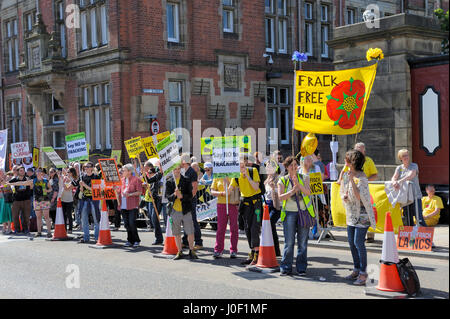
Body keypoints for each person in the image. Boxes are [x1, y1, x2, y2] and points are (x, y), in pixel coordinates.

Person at [340, 150, 377, 286]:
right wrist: (344, 195)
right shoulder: (346, 175)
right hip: (351, 214)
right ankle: (356, 269)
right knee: (351, 242)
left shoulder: (362, 177)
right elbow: (342, 189)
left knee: (358, 243)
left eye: (347, 160)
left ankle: (363, 273)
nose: (345, 162)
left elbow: (359, 197)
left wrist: (351, 180)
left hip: (362, 214)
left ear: (352, 162)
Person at [277, 156, 315, 276]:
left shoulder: (304, 177)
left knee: (303, 242)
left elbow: (308, 192)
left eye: (295, 165)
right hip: (289, 214)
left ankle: (301, 267)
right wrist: (292, 191)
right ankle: (286, 267)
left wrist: (299, 185)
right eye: (291, 165)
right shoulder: (282, 180)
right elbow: (280, 197)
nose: (294, 167)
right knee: (289, 242)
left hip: (303, 212)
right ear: (287, 167)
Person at [230, 156, 262, 265]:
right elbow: (230, 190)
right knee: (247, 229)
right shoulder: (235, 176)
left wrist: (247, 177)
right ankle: (253, 252)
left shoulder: (253, 171)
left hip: (256, 204)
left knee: (254, 228)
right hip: (246, 205)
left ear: (245, 163)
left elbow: (256, 187)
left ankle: (257, 254)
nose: (240, 167)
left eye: (242, 164)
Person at [166, 165, 198, 260]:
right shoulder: (169, 181)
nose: (177, 171)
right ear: (172, 170)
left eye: (178, 169)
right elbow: (168, 197)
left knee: (190, 231)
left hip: (186, 210)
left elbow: (190, 195)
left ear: (181, 169)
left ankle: (191, 250)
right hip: (174, 211)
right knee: (176, 232)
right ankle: (179, 251)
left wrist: (182, 196)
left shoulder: (186, 180)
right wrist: (174, 195)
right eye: (175, 169)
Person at [391, 149, 426, 227]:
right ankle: (411, 238)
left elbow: (411, 175)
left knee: (419, 218)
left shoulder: (414, 165)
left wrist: (399, 181)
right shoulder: (399, 168)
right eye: (404, 156)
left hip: (415, 196)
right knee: (408, 219)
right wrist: (394, 182)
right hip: (405, 197)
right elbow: (394, 177)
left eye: (407, 155)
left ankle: (427, 238)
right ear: (400, 158)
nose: (406, 157)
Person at [210, 176, 239, 259]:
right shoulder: (217, 177)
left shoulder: (234, 176)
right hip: (221, 204)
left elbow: (236, 189)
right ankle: (218, 250)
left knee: (234, 228)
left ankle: (233, 250)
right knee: (221, 228)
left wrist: (228, 182)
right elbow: (212, 191)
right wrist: (222, 193)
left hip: (233, 204)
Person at [180, 153, 203, 250]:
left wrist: (189, 198)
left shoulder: (192, 172)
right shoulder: (183, 171)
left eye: (181, 160)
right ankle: (185, 241)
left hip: (190, 200)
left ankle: (198, 242)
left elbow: (195, 188)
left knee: (193, 221)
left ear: (184, 162)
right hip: (184, 200)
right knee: (186, 221)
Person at [117, 164, 143, 248]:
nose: (122, 172)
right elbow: (119, 191)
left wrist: (130, 194)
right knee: (126, 224)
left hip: (133, 205)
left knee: (132, 223)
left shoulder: (136, 180)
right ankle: (129, 240)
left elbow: (139, 192)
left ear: (129, 171)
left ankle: (136, 240)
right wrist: (115, 189)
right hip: (123, 205)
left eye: (123, 170)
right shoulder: (121, 180)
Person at [78, 162, 101, 243]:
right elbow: (81, 190)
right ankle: (86, 237)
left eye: (87, 167)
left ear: (92, 168)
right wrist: (81, 185)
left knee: (96, 218)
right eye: (85, 167)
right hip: (85, 199)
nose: (86, 168)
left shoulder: (96, 177)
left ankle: (97, 237)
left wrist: (85, 185)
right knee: (84, 219)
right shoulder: (82, 177)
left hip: (94, 200)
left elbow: (95, 190)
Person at [142, 160, 164, 245]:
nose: (160, 168)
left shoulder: (170, 174)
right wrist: (144, 174)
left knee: (167, 219)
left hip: (166, 199)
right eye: (160, 166)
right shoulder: (158, 174)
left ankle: (173, 239)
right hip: (157, 199)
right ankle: (158, 238)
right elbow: (149, 181)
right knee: (154, 218)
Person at [9, 166, 33, 235]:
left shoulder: (27, 179)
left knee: (26, 216)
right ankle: (17, 229)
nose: (22, 172)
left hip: (26, 200)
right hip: (16, 200)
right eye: (20, 170)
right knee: (15, 215)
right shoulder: (14, 179)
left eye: (23, 170)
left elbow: (31, 187)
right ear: (18, 172)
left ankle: (25, 229)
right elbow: (7, 184)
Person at [264, 166, 281, 257]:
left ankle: (275, 250)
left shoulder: (278, 179)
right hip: (267, 206)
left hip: (276, 207)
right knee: (271, 227)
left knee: (270, 224)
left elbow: (279, 194)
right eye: (267, 168)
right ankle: (275, 250)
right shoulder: (267, 180)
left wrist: (274, 188)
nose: (268, 170)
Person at [61, 168, 78, 234]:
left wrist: (63, 183)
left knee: (69, 215)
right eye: (67, 172)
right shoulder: (65, 178)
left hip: (69, 199)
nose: (67, 173)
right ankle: (64, 228)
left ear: (72, 173)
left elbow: (67, 188)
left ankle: (70, 228)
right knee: (64, 215)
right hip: (62, 198)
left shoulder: (73, 180)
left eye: (68, 172)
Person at [0, 169, 13, 234]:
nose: (1, 174)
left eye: (2, 172)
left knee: (8, 213)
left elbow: (8, 186)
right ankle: (4, 227)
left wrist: (3, 181)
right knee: (2, 213)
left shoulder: (8, 178)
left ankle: (9, 228)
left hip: (7, 198)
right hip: (1, 199)